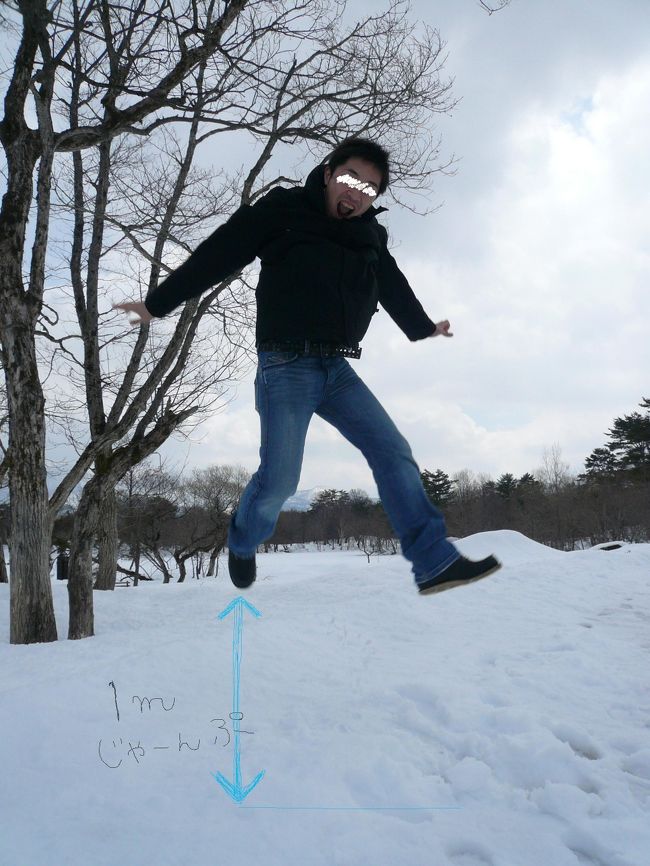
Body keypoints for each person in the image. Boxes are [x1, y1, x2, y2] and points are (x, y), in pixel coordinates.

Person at [114, 137, 501, 595]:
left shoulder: (370, 235)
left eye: (370, 188)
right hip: (284, 363)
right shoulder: (284, 210)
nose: (358, 193)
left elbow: (392, 284)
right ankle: (242, 538)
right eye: (351, 179)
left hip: (336, 369)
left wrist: (423, 326)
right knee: (280, 479)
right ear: (328, 173)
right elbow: (220, 252)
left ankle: (433, 561)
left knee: (393, 451)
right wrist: (157, 304)